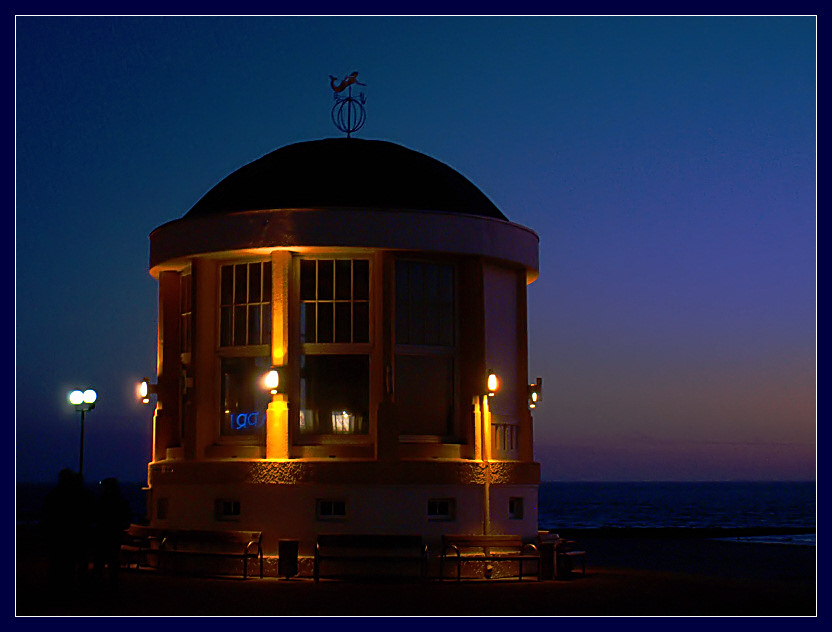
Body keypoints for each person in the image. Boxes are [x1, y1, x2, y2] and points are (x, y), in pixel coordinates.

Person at [41, 468, 93, 591]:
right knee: (72, 562)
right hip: (77, 534)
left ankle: (58, 586)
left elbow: (47, 514)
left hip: (60, 534)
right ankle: (72, 585)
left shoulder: (55, 495)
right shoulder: (82, 495)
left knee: (59, 562)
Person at [92, 477, 133, 590]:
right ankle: (112, 583)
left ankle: (98, 582)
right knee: (113, 559)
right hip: (115, 534)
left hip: (102, 533)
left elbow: (95, 515)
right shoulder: (121, 501)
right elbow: (127, 517)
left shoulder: (101, 500)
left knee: (100, 559)